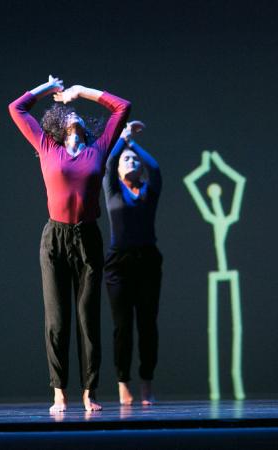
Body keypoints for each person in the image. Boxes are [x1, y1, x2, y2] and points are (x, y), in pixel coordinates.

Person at [9, 75, 131, 412]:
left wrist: (82, 92)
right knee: (57, 320)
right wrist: (47, 90)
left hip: (87, 237)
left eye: (76, 112)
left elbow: (122, 107)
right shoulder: (47, 146)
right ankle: (59, 391)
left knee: (88, 318)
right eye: (66, 113)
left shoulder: (99, 147)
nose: (72, 114)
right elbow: (16, 109)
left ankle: (90, 391)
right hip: (55, 239)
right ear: (57, 125)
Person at [102, 120, 162, 406]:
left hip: (148, 260)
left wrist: (133, 143)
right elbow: (110, 159)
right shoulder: (113, 190)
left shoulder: (148, 192)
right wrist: (122, 140)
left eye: (134, 159)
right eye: (126, 159)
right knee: (122, 326)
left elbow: (156, 169)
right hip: (119, 264)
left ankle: (147, 383)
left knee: (148, 324)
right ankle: (123, 383)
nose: (131, 160)